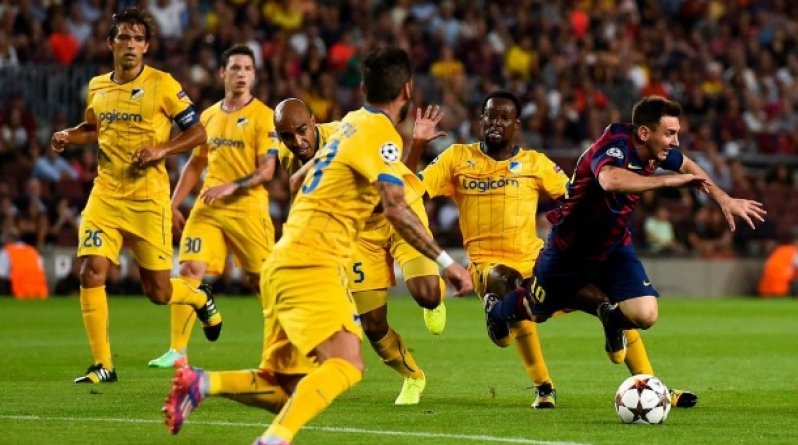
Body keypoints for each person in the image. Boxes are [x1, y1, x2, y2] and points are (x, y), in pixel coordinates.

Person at [163, 47, 473, 444]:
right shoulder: (380, 132)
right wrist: (448, 262)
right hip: (314, 263)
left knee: (283, 387)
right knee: (347, 364)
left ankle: (201, 383)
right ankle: (274, 439)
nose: (295, 141)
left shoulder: (348, 124)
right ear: (407, 92)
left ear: (363, 90)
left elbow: (297, 181)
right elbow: (395, 207)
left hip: (282, 263)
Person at [413, 90, 700, 409]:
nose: (496, 123)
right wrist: (417, 146)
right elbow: (410, 190)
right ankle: (543, 386)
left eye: (505, 117)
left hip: (537, 261)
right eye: (490, 116)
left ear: (516, 125)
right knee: (506, 281)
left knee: (612, 302)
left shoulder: (534, 163)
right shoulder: (456, 158)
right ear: (480, 120)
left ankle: (654, 388)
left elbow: (574, 195)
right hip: (488, 267)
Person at [485, 96, 765, 394]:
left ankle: (613, 320)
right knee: (536, 310)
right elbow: (610, 180)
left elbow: (687, 165)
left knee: (646, 314)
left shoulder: (658, 150)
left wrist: (724, 199)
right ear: (644, 133)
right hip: (569, 249)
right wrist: (666, 181)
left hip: (614, 247)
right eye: (670, 133)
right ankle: (497, 311)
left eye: (677, 133)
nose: (675, 141)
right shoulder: (614, 145)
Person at [49, 8, 220, 384]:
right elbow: (93, 127)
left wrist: (162, 149)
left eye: (138, 38)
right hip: (106, 195)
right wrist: (68, 135)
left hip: (148, 200)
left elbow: (198, 133)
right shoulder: (97, 86)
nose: (131, 44)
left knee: (158, 292)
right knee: (90, 271)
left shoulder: (163, 84)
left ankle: (199, 297)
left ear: (146, 47)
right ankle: (103, 365)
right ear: (110, 43)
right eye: (124, 37)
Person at [277, 98, 448, 405]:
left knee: (427, 293)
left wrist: (418, 144)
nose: (297, 142)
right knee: (373, 325)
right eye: (287, 136)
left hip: (399, 214)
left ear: (314, 121)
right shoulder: (287, 157)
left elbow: (397, 184)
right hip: (359, 233)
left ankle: (435, 296)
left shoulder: (351, 139)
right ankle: (413, 377)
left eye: (302, 130)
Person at [148, 44, 280, 369]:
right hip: (208, 206)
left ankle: (286, 350)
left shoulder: (264, 116)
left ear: (254, 75)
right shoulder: (207, 116)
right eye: (235, 68)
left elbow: (267, 170)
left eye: (247, 69)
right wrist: (172, 205)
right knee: (189, 270)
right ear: (222, 73)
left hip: (248, 208)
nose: (241, 74)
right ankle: (177, 351)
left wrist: (231, 186)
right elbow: (195, 165)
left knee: (263, 283)